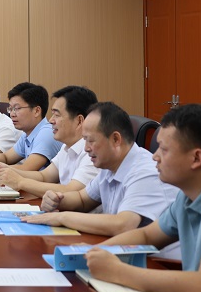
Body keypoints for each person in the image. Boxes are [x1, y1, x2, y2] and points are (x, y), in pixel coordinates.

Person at [85, 104, 201, 292]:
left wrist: (116, 271)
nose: (155, 156)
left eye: (164, 149)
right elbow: (147, 236)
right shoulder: (189, 195)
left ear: (196, 158)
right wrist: (94, 252)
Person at [22, 101, 177, 236]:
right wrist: (56, 200)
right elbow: (82, 200)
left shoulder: (145, 171)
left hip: (158, 258)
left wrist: (62, 217)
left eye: (91, 141)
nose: (86, 148)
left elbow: (123, 224)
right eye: (84, 140)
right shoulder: (109, 166)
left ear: (115, 139)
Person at [0, 85, 98, 198]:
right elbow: (44, 176)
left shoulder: (92, 153)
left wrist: (20, 182)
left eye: (57, 115)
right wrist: (5, 169)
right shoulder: (66, 147)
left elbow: (71, 191)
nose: (51, 120)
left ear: (79, 121)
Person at [0, 82, 62, 174]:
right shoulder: (27, 134)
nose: (12, 114)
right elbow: (5, 157)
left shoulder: (46, 133)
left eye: (17, 108)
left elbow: (26, 169)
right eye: (10, 109)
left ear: (36, 111)